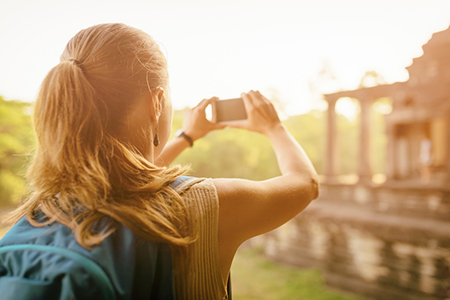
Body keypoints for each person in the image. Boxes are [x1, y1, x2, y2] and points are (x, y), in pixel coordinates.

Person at [0, 23, 318, 299]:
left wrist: (187, 137)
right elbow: (305, 184)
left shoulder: (40, 211)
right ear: (157, 102)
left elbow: (129, 183)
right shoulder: (199, 207)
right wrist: (274, 128)